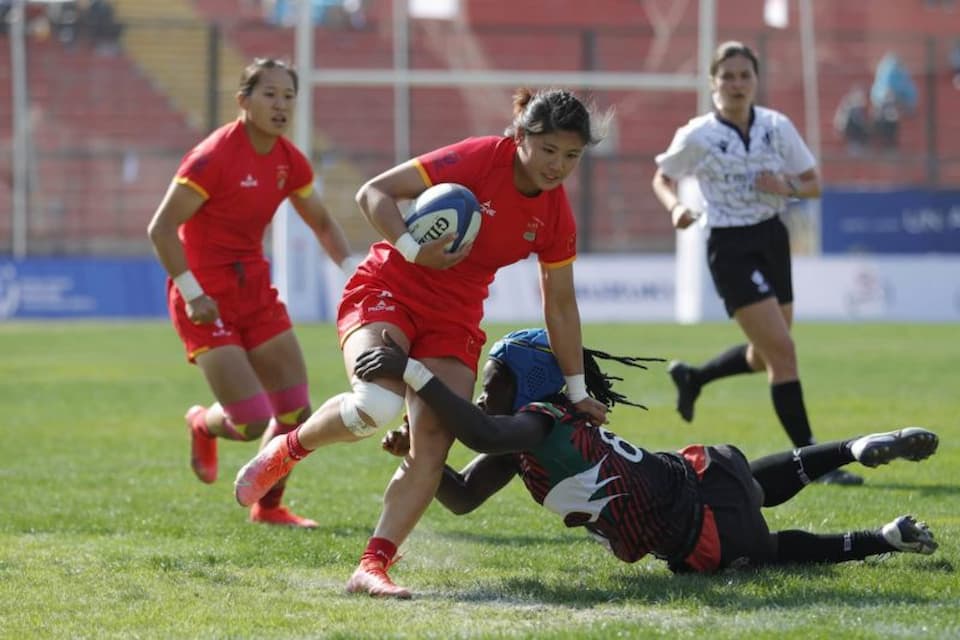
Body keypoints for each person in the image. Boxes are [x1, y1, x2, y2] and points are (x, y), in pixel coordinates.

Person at [233, 88, 613, 597]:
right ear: (521, 136)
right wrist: (412, 247)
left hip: (453, 320)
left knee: (433, 442)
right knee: (375, 405)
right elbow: (373, 192)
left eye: (572, 156)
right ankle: (289, 449)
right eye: (549, 150)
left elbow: (560, 305)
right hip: (390, 288)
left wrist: (576, 386)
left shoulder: (556, 215)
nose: (558, 166)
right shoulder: (481, 157)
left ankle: (372, 566)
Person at [362, 327, 939, 574]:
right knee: (755, 493)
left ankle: (882, 538)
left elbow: (482, 433)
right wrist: (418, 460)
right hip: (700, 471)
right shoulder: (532, 436)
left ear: (534, 387)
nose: (485, 395)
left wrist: (411, 372)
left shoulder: (540, 423)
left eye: (495, 384)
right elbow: (462, 497)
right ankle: (852, 447)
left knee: (766, 548)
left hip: (691, 523)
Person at [147, 58, 360, 528]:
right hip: (205, 296)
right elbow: (161, 229)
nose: (281, 105)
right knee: (247, 422)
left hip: (256, 292)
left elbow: (321, 221)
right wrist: (191, 291)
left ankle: (267, 508)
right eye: (270, 94)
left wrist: (351, 270)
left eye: (288, 96)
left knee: (295, 412)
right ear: (243, 101)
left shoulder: (289, 160)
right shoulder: (212, 157)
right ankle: (202, 423)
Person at [650, 41, 862, 485]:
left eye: (745, 75)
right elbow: (663, 176)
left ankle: (695, 377)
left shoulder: (776, 126)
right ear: (713, 83)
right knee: (783, 353)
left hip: (772, 238)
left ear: (756, 81)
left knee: (766, 354)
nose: (736, 84)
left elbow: (814, 186)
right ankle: (814, 463)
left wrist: (782, 185)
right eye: (727, 76)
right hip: (729, 247)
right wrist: (674, 207)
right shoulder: (698, 135)